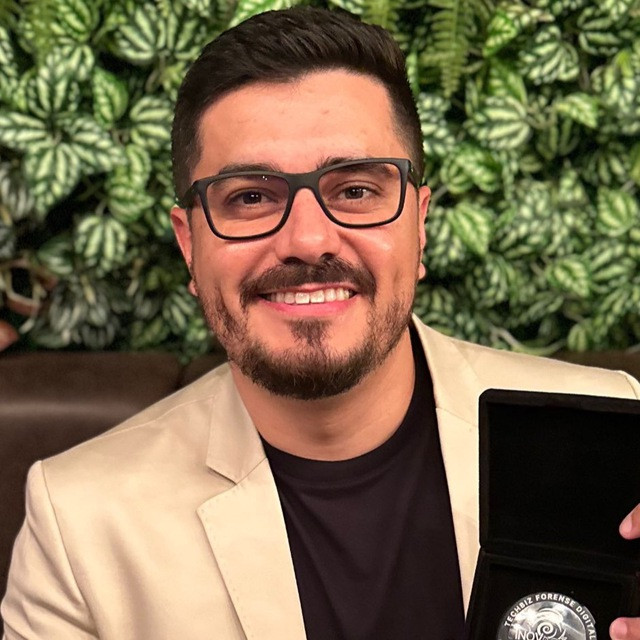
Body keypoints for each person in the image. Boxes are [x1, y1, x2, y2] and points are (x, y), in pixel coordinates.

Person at [2, 7, 640, 640]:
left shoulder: (612, 436)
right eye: (251, 197)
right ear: (189, 246)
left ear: (419, 225)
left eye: (356, 190)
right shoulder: (80, 524)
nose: (308, 240)